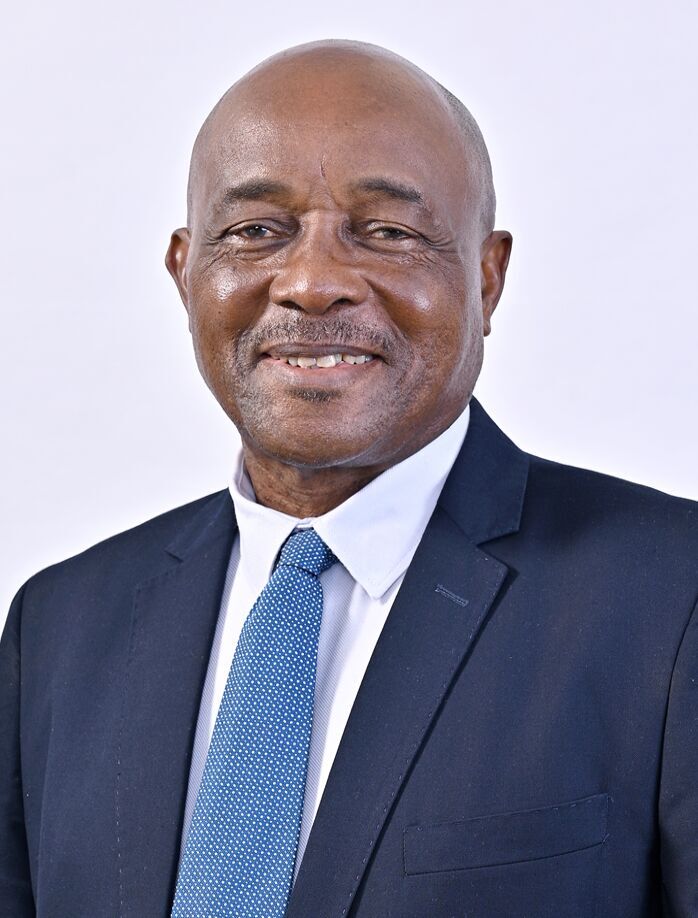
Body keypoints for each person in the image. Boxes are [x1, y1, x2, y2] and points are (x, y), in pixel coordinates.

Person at [1, 39, 696, 918]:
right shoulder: (60, 627)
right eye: (257, 231)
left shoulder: (672, 598)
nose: (312, 282)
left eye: (388, 232)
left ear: (488, 276)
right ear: (185, 271)